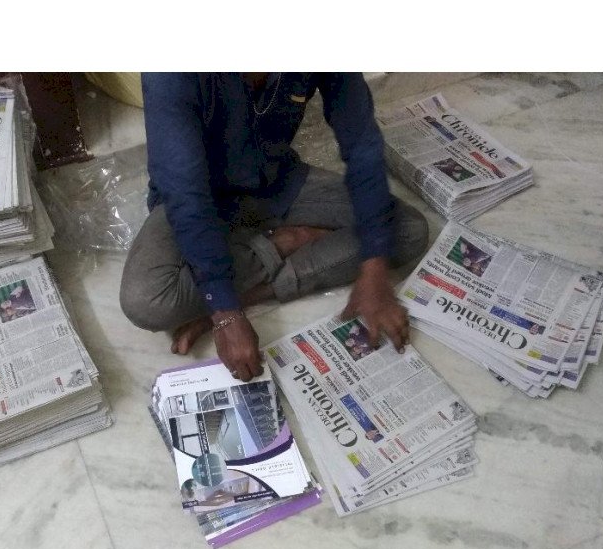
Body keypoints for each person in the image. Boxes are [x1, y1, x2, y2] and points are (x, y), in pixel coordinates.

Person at [120, 73, 429, 382]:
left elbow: (361, 143)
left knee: (407, 229)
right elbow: (185, 193)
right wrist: (223, 310)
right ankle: (284, 243)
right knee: (146, 300)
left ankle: (246, 290)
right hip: (199, 199)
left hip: (277, 185)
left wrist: (374, 270)